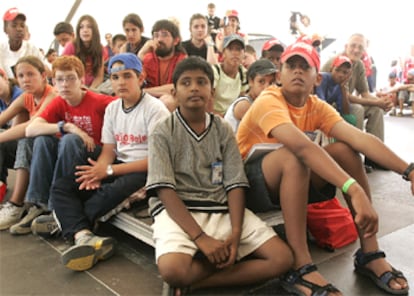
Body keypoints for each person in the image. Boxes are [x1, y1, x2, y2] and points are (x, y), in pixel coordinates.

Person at [237, 41, 410, 295]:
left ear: (317, 78)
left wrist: (409, 170)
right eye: (291, 66)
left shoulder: (316, 105)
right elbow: (303, 148)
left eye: (304, 67)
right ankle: (300, 265)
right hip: (247, 187)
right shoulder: (268, 99)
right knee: (294, 155)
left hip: (290, 182)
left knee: (344, 150)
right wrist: (352, 188)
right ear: (279, 75)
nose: (297, 71)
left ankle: (370, 252)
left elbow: (359, 138)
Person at [146, 56, 293, 295]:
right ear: (174, 91)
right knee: (172, 270)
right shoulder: (162, 130)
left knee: (282, 259)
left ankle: (195, 282)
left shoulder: (222, 127)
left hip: (221, 207)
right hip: (179, 212)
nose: (194, 87)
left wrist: (235, 235)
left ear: (211, 91)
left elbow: (235, 183)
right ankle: (198, 270)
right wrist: (201, 238)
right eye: (186, 83)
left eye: (201, 82)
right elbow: (164, 190)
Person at [33, 53, 170, 271]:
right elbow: (108, 149)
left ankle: (65, 222)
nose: (121, 82)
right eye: (115, 77)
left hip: (144, 170)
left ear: (141, 77)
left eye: (127, 76)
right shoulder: (114, 108)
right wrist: (98, 170)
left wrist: (107, 170)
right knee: (63, 186)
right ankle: (84, 237)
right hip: (116, 164)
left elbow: (156, 160)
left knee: (100, 199)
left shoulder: (155, 110)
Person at [15, 55, 115, 235]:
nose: (65, 84)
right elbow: (30, 129)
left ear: (81, 80)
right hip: (73, 153)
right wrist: (66, 126)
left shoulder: (99, 101)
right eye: (60, 79)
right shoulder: (59, 101)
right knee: (43, 139)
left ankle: (58, 209)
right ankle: (40, 204)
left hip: (98, 155)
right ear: (54, 81)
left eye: (71, 78)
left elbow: (126, 108)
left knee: (68, 140)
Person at [321, 33, 394, 171]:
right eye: (353, 46)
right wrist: (376, 102)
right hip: (330, 105)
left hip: (347, 103)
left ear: (364, 51)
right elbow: (345, 96)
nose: (356, 50)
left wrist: (381, 102)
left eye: (360, 47)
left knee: (376, 110)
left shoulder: (359, 65)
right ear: (346, 46)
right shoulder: (334, 62)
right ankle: (354, 159)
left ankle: (375, 158)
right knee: (358, 109)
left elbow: (365, 93)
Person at [0, 56, 57, 231]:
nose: (25, 79)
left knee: (25, 138)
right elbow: (3, 118)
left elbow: (31, 127)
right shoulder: (26, 97)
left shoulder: (52, 94)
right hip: (36, 149)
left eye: (30, 74)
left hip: (53, 150)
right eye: (21, 75)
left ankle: (16, 204)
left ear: (43, 75)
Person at [138, 19, 187, 111]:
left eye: (164, 35)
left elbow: (176, 87)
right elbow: (135, 83)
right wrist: (140, 56)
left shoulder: (182, 60)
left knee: (167, 101)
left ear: (176, 41)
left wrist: (143, 92)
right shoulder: (147, 58)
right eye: (156, 35)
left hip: (171, 103)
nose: (159, 39)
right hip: (148, 101)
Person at [224, 59, 277, 133]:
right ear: (251, 81)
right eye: (261, 81)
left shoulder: (265, 103)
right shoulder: (244, 105)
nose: (267, 87)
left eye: (271, 82)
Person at [0, 7, 49, 79]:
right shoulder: (1, 50)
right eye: (14, 25)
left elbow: (47, 70)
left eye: (22, 26)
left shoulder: (31, 48)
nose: (19, 29)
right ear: (5, 29)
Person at [62, 14, 107, 89]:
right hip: (73, 87)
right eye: (81, 27)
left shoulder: (100, 48)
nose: (85, 30)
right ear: (78, 31)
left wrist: (90, 90)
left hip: (93, 88)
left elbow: (99, 77)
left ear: (95, 30)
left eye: (89, 27)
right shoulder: (71, 46)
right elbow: (62, 72)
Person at [210, 34, 248, 116]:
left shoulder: (243, 73)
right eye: (230, 49)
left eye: (238, 49)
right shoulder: (215, 71)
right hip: (213, 116)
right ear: (223, 53)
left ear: (244, 54)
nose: (235, 53)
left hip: (233, 116)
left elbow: (242, 99)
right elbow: (207, 102)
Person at [0, 67, 23, 202]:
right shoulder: (1, 100)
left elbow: (15, 132)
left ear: (4, 77)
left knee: (2, 137)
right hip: (12, 146)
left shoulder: (20, 96)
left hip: (25, 147)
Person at [315, 55, 356, 126]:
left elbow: (345, 112)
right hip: (315, 111)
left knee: (350, 119)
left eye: (345, 72)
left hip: (326, 112)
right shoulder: (322, 78)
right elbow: (321, 104)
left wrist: (343, 89)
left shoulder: (339, 86)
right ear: (331, 69)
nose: (340, 75)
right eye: (337, 70)